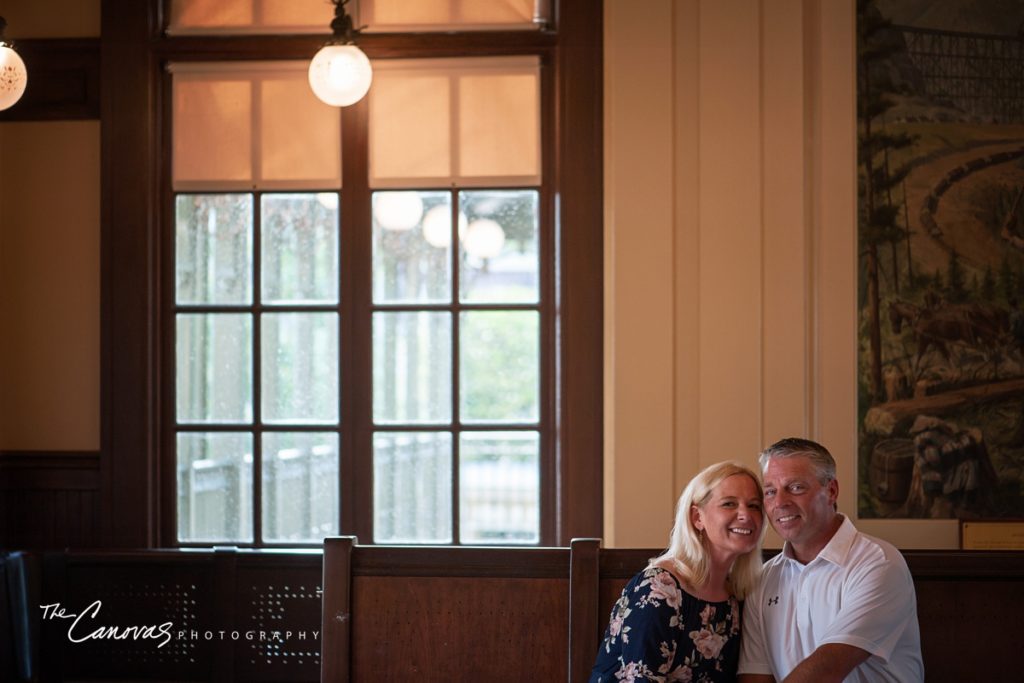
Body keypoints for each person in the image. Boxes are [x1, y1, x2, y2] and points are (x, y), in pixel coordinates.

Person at [738, 437, 924, 683]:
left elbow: (827, 669)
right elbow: (755, 676)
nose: (780, 502)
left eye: (795, 487)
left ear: (831, 491)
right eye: (770, 491)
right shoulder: (763, 579)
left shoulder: (878, 563)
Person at [590, 462, 765, 682]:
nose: (745, 515)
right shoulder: (660, 588)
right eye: (729, 504)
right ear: (697, 518)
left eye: (754, 505)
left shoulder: (735, 595)